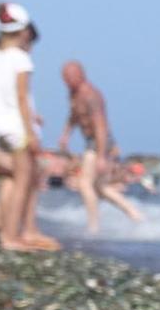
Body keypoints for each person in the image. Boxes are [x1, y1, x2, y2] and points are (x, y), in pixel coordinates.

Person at [0, 1, 57, 252]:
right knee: (24, 181)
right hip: (17, 127)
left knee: (21, 178)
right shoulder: (20, 58)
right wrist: (31, 132)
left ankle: (21, 231)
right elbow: (22, 98)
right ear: (24, 31)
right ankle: (12, 236)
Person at [56, 60, 142, 233]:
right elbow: (73, 115)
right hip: (90, 142)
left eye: (70, 76)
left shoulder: (92, 95)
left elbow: (101, 127)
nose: (67, 80)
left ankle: (93, 226)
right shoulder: (73, 94)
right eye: (65, 77)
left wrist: (102, 156)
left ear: (81, 75)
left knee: (85, 183)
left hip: (100, 142)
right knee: (100, 188)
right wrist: (66, 134)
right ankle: (135, 215)